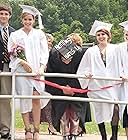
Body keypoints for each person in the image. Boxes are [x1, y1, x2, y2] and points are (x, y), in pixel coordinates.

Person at [8, 4, 49, 140]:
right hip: (22, 72)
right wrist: (22, 63)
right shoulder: (15, 35)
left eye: (30, 19)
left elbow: (44, 52)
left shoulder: (39, 34)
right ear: (22, 20)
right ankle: (27, 129)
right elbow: (12, 53)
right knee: (24, 99)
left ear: (34, 21)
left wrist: (42, 67)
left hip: (37, 71)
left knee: (36, 98)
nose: (27, 22)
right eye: (25, 19)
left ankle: (37, 129)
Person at [77, 20, 120, 140]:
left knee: (115, 108)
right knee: (99, 111)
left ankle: (115, 135)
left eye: (103, 34)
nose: (101, 37)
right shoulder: (91, 51)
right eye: (99, 34)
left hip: (112, 86)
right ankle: (104, 136)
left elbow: (122, 64)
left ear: (108, 36)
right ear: (96, 37)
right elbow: (82, 68)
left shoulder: (116, 49)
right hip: (96, 87)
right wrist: (87, 74)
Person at [45, 33, 89, 140]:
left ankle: (74, 133)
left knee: (75, 111)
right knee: (62, 111)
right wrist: (62, 88)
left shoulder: (82, 55)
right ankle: (65, 133)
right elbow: (51, 74)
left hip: (76, 89)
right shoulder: (54, 55)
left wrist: (72, 88)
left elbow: (84, 71)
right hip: (60, 88)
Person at [0, 3, 15, 139]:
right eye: (1, 13)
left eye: (6, 14)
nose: (3, 16)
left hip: (7, 67)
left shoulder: (14, 32)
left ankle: (5, 129)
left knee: (5, 99)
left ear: (10, 16)